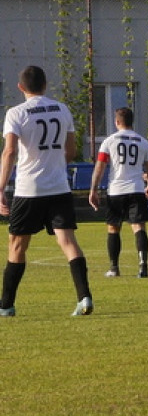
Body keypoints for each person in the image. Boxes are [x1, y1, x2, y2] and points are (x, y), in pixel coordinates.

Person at [0, 65, 94, 316]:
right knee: (68, 241)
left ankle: (6, 305)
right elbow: (71, 151)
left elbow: (10, 151)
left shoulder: (15, 113)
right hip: (58, 187)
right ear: (45, 85)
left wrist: (0, 187)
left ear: (21, 87)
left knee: (17, 245)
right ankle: (84, 297)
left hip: (29, 188)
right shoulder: (62, 109)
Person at [88, 107, 148, 278]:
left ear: (117, 122)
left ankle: (114, 268)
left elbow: (100, 167)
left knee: (113, 228)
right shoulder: (143, 141)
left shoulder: (109, 141)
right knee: (139, 227)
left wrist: (93, 189)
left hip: (116, 190)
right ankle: (143, 265)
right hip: (136, 189)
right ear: (131, 121)